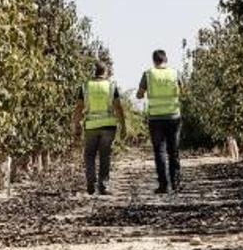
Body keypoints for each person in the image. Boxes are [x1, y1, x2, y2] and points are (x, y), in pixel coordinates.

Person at [73, 60, 126, 195]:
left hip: (91, 126)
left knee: (89, 155)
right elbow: (118, 107)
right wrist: (123, 125)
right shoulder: (111, 86)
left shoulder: (85, 86)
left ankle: (91, 180)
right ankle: (103, 185)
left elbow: (79, 107)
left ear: (94, 72)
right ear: (105, 72)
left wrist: (76, 125)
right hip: (108, 126)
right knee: (105, 155)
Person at [136, 49, 182, 193]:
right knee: (173, 150)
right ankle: (175, 183)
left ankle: (164, 185)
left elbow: (139, 94)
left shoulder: (148, 74)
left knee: (159, 152)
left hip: (155, 118)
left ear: (154, 60)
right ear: (166, 59)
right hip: (173, 116)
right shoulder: (175, 73)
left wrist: (142, 94)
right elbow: (184, 90)